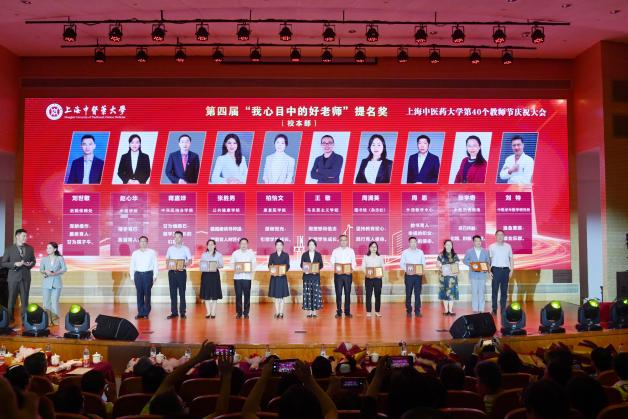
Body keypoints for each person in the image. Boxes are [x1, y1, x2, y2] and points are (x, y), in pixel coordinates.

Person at [1, 229, 36, 325]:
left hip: (25, 278)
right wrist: (14, 264)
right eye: (23, 236)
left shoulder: (30, 248)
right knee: (11, 299)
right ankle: (9, 319)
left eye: (26, 236)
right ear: (17, 236)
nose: (26, 238)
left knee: (25, 300)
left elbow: (33, 261)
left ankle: (25, 320)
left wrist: (30, 264)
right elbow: (3, 263)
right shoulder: (9, 249)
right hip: (13, 278)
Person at [129, 236, 158, 319]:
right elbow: (132, 265)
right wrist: (132, 277)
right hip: (138, 275)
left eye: (145, 241)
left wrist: (155, 276)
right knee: (139, 294)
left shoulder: (152, 252)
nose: (143, 243)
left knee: (147, 294)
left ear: (147, 242)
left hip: (148, 275)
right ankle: (140, 313)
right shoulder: (135, 253)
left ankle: (146, 313)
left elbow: (155, 264)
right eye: (141, 241)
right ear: (139, 243)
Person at [164, 231, 192, 319]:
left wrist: (183, 265)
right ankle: (174, 312)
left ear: (182, 238)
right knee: (173, 293)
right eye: (175, 237)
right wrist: (168, 265)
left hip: (181, 273)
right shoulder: (170, 249)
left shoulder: (186, 249)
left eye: (178, 237)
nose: (176, 239)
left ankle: (182, 312)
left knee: (182, 293)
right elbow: (167, 259)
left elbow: (190, 260)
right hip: (172, 273)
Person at [39, 242, 67, 325]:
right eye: (47, 248)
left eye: (50, 248)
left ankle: (55, 320)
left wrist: (55, 273)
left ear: (55, 249)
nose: (47, 249)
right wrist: (45, 271)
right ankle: (47, 320)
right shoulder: (44, 259)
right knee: (46, 302)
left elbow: (64, 269)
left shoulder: (60, 258)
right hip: (46, 283)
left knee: (55, 302)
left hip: (56, 283)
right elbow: (41, 270)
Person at [330, 234, 356, 318]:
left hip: (348, 275)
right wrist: (337, 268)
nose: (343, 242)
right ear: (339, 241)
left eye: (345, 240)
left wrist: (352, 269)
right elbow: (332, 261)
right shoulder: (335, 251)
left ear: (347, 241)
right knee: (338, 293)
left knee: (347, 293)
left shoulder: (351, 251)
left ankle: (347, 312)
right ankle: (339, 312)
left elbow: (354, 262)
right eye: (342, 240)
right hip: (338, 275)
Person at [463, 235, 491, 313]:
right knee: (474, 292)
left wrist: (486, 268)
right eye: (476, 241)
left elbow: (488, 262)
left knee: (482, 292)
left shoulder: (485, 251)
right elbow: (465, 260)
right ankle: (475, 309)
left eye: (479, 241)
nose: (478, 242)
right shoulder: (469, 251)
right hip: (473, 275)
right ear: (473, 242)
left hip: (482, 275)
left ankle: (481, 309)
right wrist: (472, 264)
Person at [489, 230, 514, 315]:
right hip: (495, 270)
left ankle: (503, 309)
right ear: (495, 236)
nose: (500, 236)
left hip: (506, 270)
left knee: (504, 291)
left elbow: (511, 259)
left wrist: (511, 270)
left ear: (504, 236)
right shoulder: (491, 246)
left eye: (502, 235)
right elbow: (489, 260)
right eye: (498, 235)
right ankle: (494, 309)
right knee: (494, 291)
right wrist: (489, 271)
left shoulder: (508, 246)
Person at [399, 236, 426, 317]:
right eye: (411, 242)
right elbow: (401, 264)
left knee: (417, 293)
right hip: (409, 275)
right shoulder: (405, 252)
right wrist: (407, 270)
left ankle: (417, 311)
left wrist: (422, 270)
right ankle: (409, 310)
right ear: (409, 243)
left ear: (416, 243)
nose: (413, 243)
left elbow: (423, 263)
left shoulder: (420, 252)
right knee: (408, 293)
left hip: (418, 276)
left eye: (415, 242)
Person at [232, 238, 256, 319]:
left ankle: (246, 313)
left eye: (245, 243)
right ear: (239, 244)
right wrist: (238, 268)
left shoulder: (251, 254)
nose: (243, 245)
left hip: (247, 278)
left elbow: (254, 265)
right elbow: (231, 264)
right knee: (238, 296)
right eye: (242, 243)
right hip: (237, 278)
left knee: (247, 296)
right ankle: (239, 313)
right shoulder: (235, 253)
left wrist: (247, 268)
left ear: (247, 244)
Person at [200, 239, 224, 319]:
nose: (210, 246)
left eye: (212, 244)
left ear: (214, 245)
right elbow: (201, 265)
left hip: (214, 275)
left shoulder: (218, 254)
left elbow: (221, 265)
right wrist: (204, 266)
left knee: (214, 294)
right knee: (206, 294)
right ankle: (208, 312)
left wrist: (215, 265)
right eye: (209, 244)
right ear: (207, 246)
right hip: (206, 275)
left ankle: (213, 312)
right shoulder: (204, 255)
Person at [300, 239, 323, 318]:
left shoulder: (318, 255)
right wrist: (305, 270)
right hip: (307, 277)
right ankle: (309, 312)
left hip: (315, 277)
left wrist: (316, 270)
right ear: (308, 246)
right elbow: (301, 264)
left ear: (315, 246)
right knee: (308, 294)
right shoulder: (304, 254)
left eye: (313, 244)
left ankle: (314, 312)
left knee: (315, 294)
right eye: (310, 244)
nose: (311, 246)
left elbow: (321, 265)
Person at [437, 239, 460, 316]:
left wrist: (455, 271)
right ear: (444, 245)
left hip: (452, 277)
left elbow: (457, 264)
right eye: (447, 244)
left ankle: (450, 310)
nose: (449, 246)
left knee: (452, 293)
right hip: (443, 277)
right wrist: (441, 268)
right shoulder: (441, 255)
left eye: (450, 244)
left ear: (452, 246)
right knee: (444, 293)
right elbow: (437, 264)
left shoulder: (455, 255)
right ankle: (446, 310)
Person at [268, 238, 290, 318]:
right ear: (275, 246)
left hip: (282, 277)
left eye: (280, 245)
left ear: (283, 246)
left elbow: (287, 265)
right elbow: (269, 265)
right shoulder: (272, 255)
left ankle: (281, 312)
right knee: (276, 297)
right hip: (275, 278)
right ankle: (277, 312)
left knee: (282, 296)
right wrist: (273, 271)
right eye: (277, 245)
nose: (279, 246)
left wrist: (283, 272)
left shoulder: (286, 255)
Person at [362, 241, 385, 317]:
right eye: (372, 247)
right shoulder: (366, 257)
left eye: (375, 247)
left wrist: (380, 274)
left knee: (377, 295)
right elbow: (363, 267)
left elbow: (383, 267)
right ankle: (368, 311)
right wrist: (367, 274)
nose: (374, 248)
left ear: (377, 248)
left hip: (378, 279)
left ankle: (377, 311)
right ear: (369, 248)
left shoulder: (380, 257)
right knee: (368, 295)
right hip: (369, 278)